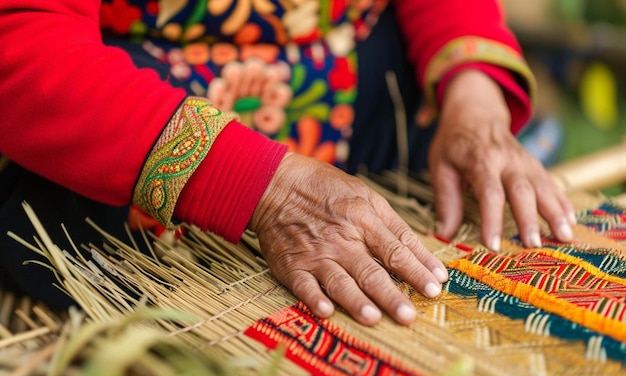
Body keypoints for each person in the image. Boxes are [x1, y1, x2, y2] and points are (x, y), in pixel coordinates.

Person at [0, 0, 575, 327]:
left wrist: (474, 97)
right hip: (125, 203)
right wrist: (261, 187)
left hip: (374, 147)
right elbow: (23, 39)